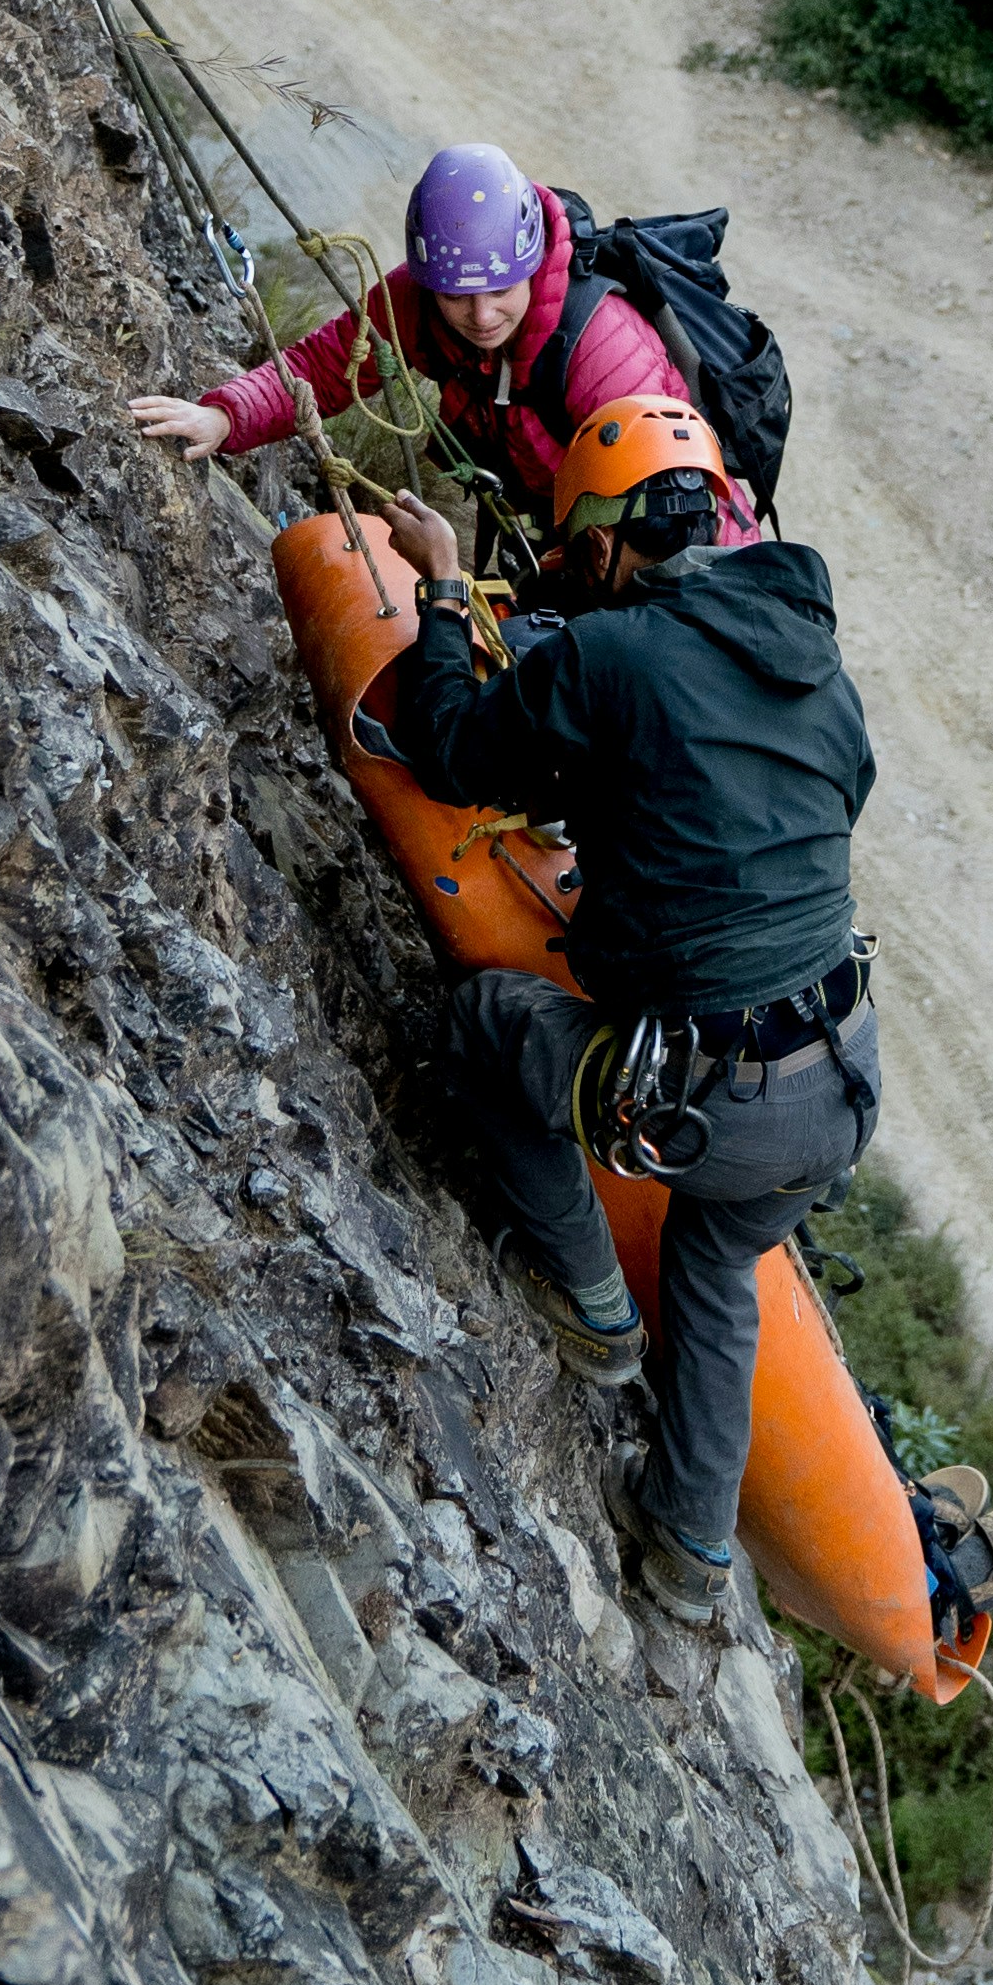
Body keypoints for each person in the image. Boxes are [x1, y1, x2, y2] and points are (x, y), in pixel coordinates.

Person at [367, 392, 900, 1626]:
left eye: (576, 548)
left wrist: (445, 589)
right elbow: (832, 803)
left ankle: (593, 1310)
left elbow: (449, 746)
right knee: (717, 1263)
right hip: (847, 1076)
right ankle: (686, 1557)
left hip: (724, 1095)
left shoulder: (611, 658)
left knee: (494, 1026)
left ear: (603, 540)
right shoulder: (814, 661)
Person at [132, 139, 753, 564]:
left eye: (502, 290)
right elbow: (323, 367)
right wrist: (226, 416)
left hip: (669, 552)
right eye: (459, 296)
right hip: (565, 542)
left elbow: (678, 510)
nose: (482, 317)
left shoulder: (602, 350)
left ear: (535, 265)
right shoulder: (419, 301)